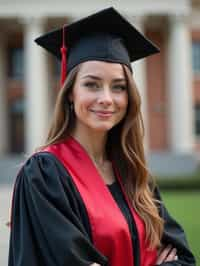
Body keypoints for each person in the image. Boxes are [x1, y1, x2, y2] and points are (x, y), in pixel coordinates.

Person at [8, 7, 196, 266]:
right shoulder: (45, 174)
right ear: (70, 92)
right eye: (92, 84)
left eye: (118, 87)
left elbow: (184, 258)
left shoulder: (134, 174)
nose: (106, 99)